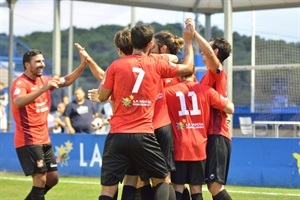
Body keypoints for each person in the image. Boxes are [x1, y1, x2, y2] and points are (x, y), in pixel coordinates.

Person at [97, 21, 194, 200]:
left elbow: (102, 96)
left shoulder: (115, 66)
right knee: (163, 178)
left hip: (117, 134)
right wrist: (188, 42)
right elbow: (188, 68)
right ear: (150, 44)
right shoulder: (155, 64)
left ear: (131, 42)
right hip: (144, 134)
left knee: (109, 189)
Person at [10, 44, 88, 200]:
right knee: (40, 179)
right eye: (37, 61)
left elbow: (66, 80)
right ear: (27, 64)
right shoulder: (20, 83)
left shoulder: (45, 80)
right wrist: (42, 89)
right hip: (28, 139)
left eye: (43, 61)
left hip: (44, 138)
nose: (42, 64)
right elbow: (18, 101)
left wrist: (82, 65)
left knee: (52, 178)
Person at [165, 70, 234, 200]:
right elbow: (229, 108)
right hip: (199, 147)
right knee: (196, 189)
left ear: (178, 74)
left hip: (180, 146)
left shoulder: (168, 92)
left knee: (178, 187)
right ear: (194, 72)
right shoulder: (206, 90)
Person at [134, 30, 186, 200]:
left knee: (147, 179)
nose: (151, 49)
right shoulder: (162, 67)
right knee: (164, 178)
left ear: (163, 49)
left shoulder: (157, 67)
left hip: (156, 128)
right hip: (166, 129)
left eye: (153, 46)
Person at [190, 20, 233, 200]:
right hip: (208, 134)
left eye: (207, 48)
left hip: (217, 134)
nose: (202, 51)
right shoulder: (205, 76)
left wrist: (194, 34)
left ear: (215, 52)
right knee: (208, 184)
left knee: (215, 186)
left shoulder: (218, 72)